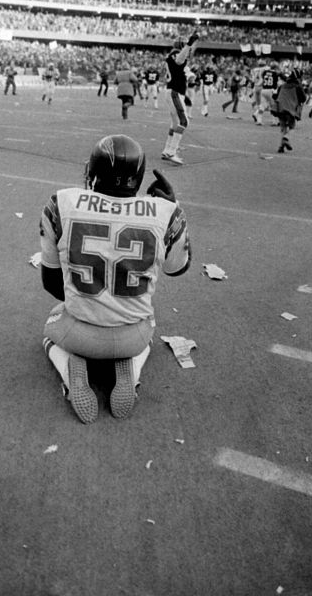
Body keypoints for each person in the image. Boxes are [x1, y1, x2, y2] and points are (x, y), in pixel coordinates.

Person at [37, 135, 192, 423]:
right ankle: (130, 371)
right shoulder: (167, 212)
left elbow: (50, 283)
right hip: (134, 334)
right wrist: (174, 205)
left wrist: (91, 299)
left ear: (93, 171)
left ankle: (70, 368)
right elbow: (177, 268)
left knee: (50, 325)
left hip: (78, 332)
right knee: (150, 323)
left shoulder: (61, 203)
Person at [160, 33, 200, 165]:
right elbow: (179, 60)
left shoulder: (174, 57)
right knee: (184, 121)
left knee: (175, 123)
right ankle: (172, 151)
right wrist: (190, 43)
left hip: (174, 92)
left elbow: (184, 70)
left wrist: (190, 76)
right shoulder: (176, 54)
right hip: (175, 92)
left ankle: (167, 150)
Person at [271, 68, 306, 153]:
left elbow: (275, 96)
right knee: (292, 126)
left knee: (283, 127)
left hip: (280, 108)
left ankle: (281, 146)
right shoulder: (298, 86)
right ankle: (286, 138)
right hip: (290, 109)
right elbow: (303, 98)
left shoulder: (282, 86)